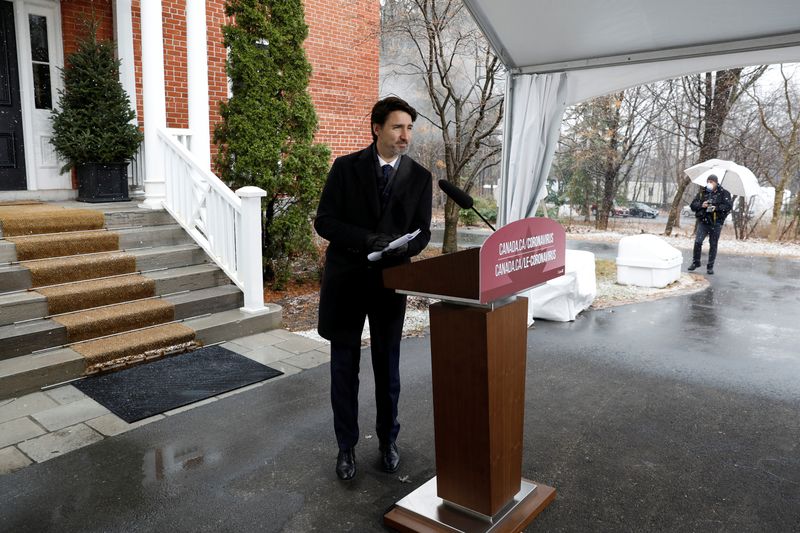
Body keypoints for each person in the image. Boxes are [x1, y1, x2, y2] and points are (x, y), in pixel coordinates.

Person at [314, 97, 432, 481]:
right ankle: (345, 447)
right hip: (347, 281)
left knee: (388, 366)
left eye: (410, 128)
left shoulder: (419, 177)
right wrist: (369, 239)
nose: (405, 136)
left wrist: (403, 246)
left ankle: (387, 441)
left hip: (391, 283)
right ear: (377, 128)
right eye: (398, 127)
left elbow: (423, 231)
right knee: (344, 369)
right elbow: (326, 222)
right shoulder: (345, 168)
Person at [688, 174, 732, 275]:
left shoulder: (724, 193)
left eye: (711, 182)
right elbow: (693, 205)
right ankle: (696, 262)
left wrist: (715, 207)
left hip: (716, 223)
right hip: (703, 221)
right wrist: (701, 205)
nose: (709, 184)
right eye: (708, 181)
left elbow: (728, 206)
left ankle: (710, 266)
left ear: (716, 183)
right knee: (698, 241)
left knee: (713, 244)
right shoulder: (703, 193)